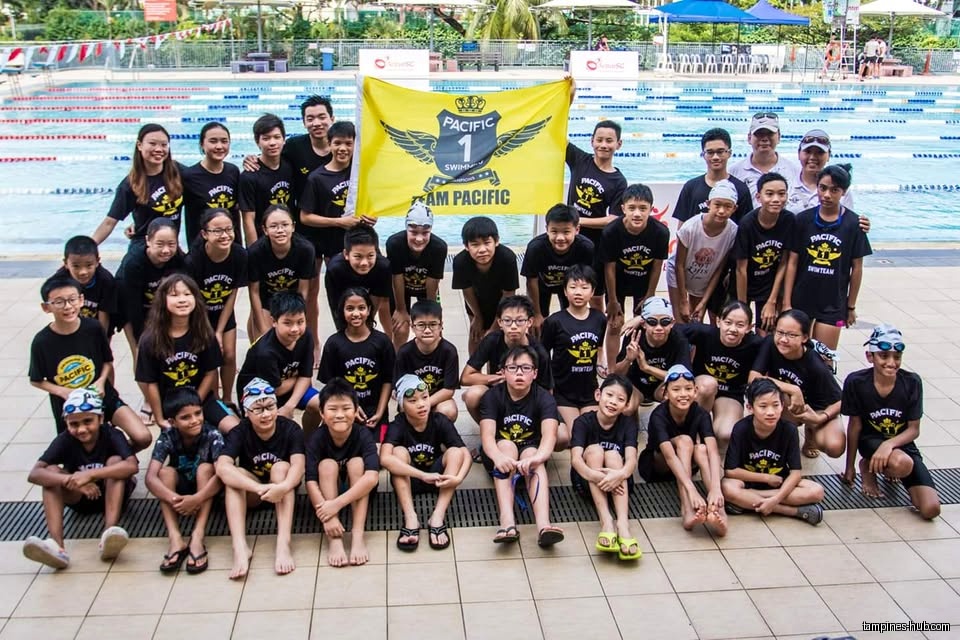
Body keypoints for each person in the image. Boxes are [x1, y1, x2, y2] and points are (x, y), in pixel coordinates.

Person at [30, 275, 151, 451]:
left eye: (72, 299)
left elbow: (107, 362)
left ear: (81, 300)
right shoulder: (42, 341)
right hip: (71, 406)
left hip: (102, 396)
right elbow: (36, 379)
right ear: (46, 307)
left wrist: (101, 382)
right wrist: (63, 392)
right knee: (78, 453)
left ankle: (116, 459)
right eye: (59, 302)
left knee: (143, 437)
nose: (68, 306)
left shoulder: (93, 328)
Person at [22, 388, 137, 569]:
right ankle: (57, 546)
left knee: (115, 462)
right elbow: (35, 474)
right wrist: (73, 482)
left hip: (113, 494)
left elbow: (132, 465)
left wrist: (89, 475)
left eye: (87, 421)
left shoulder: (112, 434)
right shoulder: (65, 439)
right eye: (74, 424)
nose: (81, 429)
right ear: (66, 424)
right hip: (79, 498)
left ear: (100, 418)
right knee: (51, 473)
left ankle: (109, 533)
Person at [841, 325, 940, 519]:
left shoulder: (912, 382)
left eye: (897, 357)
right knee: (902, 463)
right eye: (884, 356)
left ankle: (890, 465)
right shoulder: (856, 381)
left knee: (931, 510)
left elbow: (913, 430)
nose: (891, 363)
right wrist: (850, 466)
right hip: (869, 441)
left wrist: (889, 445)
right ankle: (868, 466)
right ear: (870, 357)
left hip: (900, 444)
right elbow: (854, 426)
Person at [217, 378, 305, 579]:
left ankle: (283, 543)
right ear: (247, 412)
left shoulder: (290, 428)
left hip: (283, 490)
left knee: (282, 467)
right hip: (256, 492)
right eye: (258, 409)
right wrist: (259, 489)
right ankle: (239, 548)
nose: (266, 414)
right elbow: (222, 468)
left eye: (270, 407)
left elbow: (299, 466)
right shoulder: (239, 431)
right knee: (233, 477)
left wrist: (282, 488)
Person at [300, 121, 375, 354]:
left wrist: (371, 218)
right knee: (324, 297)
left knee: (356, 296)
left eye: (348, 143)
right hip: (322, 242)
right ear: (329, 145)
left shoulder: (360, 174)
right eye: (338, 143)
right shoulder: (317, 178)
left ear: (355, 146)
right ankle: (319, 344)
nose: (343, 148)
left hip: (348, 246)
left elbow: (371, 207)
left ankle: (363, 338)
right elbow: (305, 217)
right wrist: (338, 222)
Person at [479, 345, 564, 547]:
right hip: (500, 451)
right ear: (502, 372)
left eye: (526, 368)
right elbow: (488, 436)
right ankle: (507, 522)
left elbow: (550, 435)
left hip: (530, 449)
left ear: (535, 373)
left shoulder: (544, 398)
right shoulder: (492, 396)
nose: (519, 373)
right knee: (507, 447)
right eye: (513, 368)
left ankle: (544, 526)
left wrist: (538, 458)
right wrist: (498, 458)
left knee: (534, 455)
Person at [783, 164, 871, 352]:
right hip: (801, 299)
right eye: (823, 188)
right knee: (795, 354)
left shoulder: (854, 225)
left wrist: (850, 306)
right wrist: (786, 302)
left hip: (833, 303)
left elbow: (857, 268)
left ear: (844, 192)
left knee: (824, 359)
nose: (827, 195)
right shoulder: (803, 220)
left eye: (834, 190)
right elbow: (792, 262)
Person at [135, 274, 238, 433]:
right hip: (171, 406)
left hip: (202, 400)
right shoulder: (149, 339)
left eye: (187, 294)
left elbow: (210, 373)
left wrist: (195, 406)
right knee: (182, 442)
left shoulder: (204, 333)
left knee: (236, 430)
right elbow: (151, 383)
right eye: (174, 295)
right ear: (163, 300)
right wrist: (161, 418)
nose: (182, 299)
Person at [381, 374, 471, 551]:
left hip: (439, 480)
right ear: (402, 405)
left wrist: (458, 478)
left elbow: (465, 453)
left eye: (425, 398)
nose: (421, 404)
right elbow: (384, 458)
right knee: (397, 452)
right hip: (411, 480)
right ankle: (411, 518)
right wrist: (423, 475)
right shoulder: (397, 424)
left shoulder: (439, 420)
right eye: (412, 401)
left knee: (454, 452)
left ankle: (437, 516)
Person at [722, 379, 825, 525]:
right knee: (727, 487)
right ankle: (792, 511)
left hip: (779, 485)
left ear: (783, 406)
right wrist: (766, 478)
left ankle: (745, 502)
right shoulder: (741, 428)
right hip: (749, 483)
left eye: (775, 405)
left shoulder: (789, 429)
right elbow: (730, 472)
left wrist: (776, 498)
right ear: (750, 407)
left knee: (816, 491)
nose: (770, 412)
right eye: (763, 406)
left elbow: (796, 473)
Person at [638, 365, 727, 537]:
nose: (683, 394)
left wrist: (716, 487)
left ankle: (717, 509)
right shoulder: (658, 415)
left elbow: (713, 451)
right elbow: (670, 457)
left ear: (695, 391)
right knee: (685, 441)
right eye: (676, 389)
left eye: (687, 389)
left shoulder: (700, 413)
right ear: (665, 393)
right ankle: (686, 508)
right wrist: (692, 489)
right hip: (658, 466)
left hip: (685, 463)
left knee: (701, 449)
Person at [145, 387, 223, 574]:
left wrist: (197, 498)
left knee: (206, 469)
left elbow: (222, 475)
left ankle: (198, 535)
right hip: (180, 493)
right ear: (172, 422)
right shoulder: (168, 436)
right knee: (165, 473)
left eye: (198, 413)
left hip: (204, 491)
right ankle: (175, 538)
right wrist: (176, 500)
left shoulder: (212, 434)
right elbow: (150, 477)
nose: (195, 420)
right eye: (186, 417)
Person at [304, 378, 379, 567]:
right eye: (332, 409)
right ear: (321, 412)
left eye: (346, 408)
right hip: (330, 490)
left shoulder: (363, 434)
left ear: (356, 411)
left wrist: (335, 505)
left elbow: (372, 477)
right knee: (327, 465)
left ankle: (357, 535)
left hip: (357, 489)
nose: (339, 415)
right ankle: (334, 539)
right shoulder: (317, 438)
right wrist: (327, 517)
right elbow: (310, 482)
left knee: (356, 463)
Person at [750, 309, 844, 459]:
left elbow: (841, 401)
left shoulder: (815, 364)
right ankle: (783, 437)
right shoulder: (770, 344)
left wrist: (821, 418)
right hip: (790, 403)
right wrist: (793, 389)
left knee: (834, 446)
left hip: (816, 409)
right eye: (780, 332)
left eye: (792, 335)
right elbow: (754, 378)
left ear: (805, 337)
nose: (783, 339)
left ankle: (811, 434)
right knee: (774, 395)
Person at [569, 375, 642, 560]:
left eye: (620, 399)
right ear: (598, 395)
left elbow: (632, 459)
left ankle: (623, 525)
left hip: (619, 481)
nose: (613, 402)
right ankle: (606, 521)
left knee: (613, 456)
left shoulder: (628, 424)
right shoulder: (582, 422)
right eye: (609, 395)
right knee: (594, 450)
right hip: (587, 481)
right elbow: (576, 460)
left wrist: (619, 474)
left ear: (626, 405)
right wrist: (596, 476)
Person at [600, 183, 670, 366]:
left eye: (642, 208)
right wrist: (613, 300)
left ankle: (634, 366)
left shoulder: (660, 232)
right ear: (623, 208)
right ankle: (612, 370)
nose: (637, 213)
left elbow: (657, 265)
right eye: (631, 208)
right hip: (619, 282)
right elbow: (609, 268)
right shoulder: (611, 231)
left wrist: (650, 295)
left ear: (651, 209)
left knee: (641, 325)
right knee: (614, 325)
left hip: (644, 283)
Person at [186, 208, 248, 408]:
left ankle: (228, 399)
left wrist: (220, 330)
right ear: (205, 234)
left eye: (229, 229)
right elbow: (194, 300)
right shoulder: (194, 260)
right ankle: (213, 401)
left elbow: (232, 294)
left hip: (223, 313)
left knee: (229, 355)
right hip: (199, 316)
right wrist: (209, 333)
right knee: (210, 358)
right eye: (217, 231)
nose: (224, 235)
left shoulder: (239, 255)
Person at [679, 301, 762, 446]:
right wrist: (641, 319)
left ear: (749, 327)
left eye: (740, 325)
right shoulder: (705, 333)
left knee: (725, 435)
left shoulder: (755, 344)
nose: (732, 329)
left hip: (730, 393)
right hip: (702, 386)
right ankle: (694, 429)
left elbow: (779, 346)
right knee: (708, 385)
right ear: (718, 321)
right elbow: (669, 329)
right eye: (728, 322)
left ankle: (711, 429)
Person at [541, 266, 606, 449]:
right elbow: (543, 355)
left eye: (585, 287)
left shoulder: (599, 318)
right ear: (565, 290)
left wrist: (602, 365)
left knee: (593, 436)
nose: (578, 292)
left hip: (589, 390)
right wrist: (548, 387)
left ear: (593, 291)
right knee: (574, 436)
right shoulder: (554, 321)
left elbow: (599, 347)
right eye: (573, 287)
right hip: (563, 391)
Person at [237, 293, 321, 435]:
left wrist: (289, 406)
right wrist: (299, 377)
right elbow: (276, 389)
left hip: (285, 387)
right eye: (287, 323)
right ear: (274, 321)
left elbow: (306, 376)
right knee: (274, 432)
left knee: (320, 404)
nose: (295, 329)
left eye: (300, 322)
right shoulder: (265, 352)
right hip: (259, 394)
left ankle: (308, 441)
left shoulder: (306, 336)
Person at [460, 295, 553, 425]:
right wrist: (498, 378)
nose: (513, 326)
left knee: (561, 436)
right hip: (498, 392)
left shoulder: (539, 352)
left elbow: (547, 391)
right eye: (508, 320)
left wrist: (517, 380)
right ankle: (490, 432)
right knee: (472, 395)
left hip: (527, 396)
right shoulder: (492, 340)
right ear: (500, 322)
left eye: (520, 321)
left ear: (529, 322)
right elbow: (465, 378)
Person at [318, 287, 395, 442]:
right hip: (345, 411)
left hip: (375, 413)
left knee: (378, 454)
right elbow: (331, 384)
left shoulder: (382, 342)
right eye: (350, 308)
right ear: (342, 311)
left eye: (361, 308)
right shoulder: (334, 344)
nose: (356, 313)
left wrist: (380, 413)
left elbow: (388, 380)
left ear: (369, 310)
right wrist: (351, 407)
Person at [91, 123, 184, 248]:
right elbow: (109, 222)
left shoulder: (177, 171)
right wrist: (88, 248)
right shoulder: (131, 184)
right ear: (139, 145)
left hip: (169, 247)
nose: (159, 149)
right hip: (143, 245)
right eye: (152, 143)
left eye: (164, 145)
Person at [665, 180, 739, 324]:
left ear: (734, 208)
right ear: (708, 204)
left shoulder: (733, 231)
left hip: (705, 275)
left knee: (696, 318)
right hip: (678, 273)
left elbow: (719, 269)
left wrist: (704, 301)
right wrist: (683, 300)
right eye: (717, 205)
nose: (722, 211)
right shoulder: (690, 228)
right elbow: (679, 265)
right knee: (682, 321)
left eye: (727, 206)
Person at [115, 218, 186, 361]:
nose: (166, 250)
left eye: (171, 244)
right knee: (141, 352)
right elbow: (133, 308)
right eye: (159, 244)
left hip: (158, 308)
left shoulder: (178, 257)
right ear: (148, 240)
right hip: (129, 307)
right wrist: (143, 336)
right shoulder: (134, 264)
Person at [733, 172, 794, 335]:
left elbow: (784, 262)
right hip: (742, 282)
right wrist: (742, 307)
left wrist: (772, 301)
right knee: (740, 328)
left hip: (768, 283)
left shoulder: (788, 220)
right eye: (769, 194)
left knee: (765, 331)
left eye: (781, 194)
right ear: (758, 197)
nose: (776, 199)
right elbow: (741, 270)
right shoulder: (747, 224)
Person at [521, 203, 594, 336]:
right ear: (547, 229)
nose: (560, 238)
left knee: (572, 321)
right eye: (554, 231)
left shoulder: (586, 248)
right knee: (537, 326)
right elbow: (531, 281)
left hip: (570, 286)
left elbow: (586, 280)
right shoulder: (535, 248)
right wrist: (536, 314)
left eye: (566, 232)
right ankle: (539, 354)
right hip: (541, 286)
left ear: (577, 230)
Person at [246, 204, 316, 341]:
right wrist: (261, 328)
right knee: (264, 340)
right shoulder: (255, 252)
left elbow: (303, 290)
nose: (280, 230)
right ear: (265, 230)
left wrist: (297, 318)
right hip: (266, 299)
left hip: (291, 299)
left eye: (285, 225)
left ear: (293, 227)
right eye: (273, 226)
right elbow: (254, 292)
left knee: (291, 339)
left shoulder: (305, 250)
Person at [452, 216, 519, 353]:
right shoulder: (460, 261)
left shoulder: (507, 258)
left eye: (487, 243)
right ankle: (473, 371)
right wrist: (477, 317)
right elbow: (467, 290)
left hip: (501, 302)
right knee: (476, 334)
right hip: (475, 301)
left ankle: (494, 372)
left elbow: (509, 294)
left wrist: (495, 326)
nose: (482, 250)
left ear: (496, 241)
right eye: (475, 245)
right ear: (466, 246)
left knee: (496, 340)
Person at [387, 201, 448, 349]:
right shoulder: (394, 244)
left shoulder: (439, 248)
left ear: (431, 230)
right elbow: (397, 277)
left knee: (433, 331)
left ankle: (431, 363)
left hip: (425, 288)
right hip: (401, 288)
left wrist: (430, 314)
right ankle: (398, 361)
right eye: (413, 232)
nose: (419, 239)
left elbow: (432, 283)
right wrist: (401, 310)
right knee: (401, 329)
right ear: (406, 229)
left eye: (425, 233)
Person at [614, 297, 690, 413]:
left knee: (678, 396)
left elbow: (682, 378)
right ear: (644, 324)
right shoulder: (634, 335)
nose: (659, 328)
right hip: (636, 385)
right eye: (652, 322)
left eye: (664, 322)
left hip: (662, 387)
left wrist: (647, 368)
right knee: (626, 408)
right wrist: (627, 360)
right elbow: (616, 375)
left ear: (672, 323)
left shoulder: (679, 339)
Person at [394, 299, 460, 422]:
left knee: (448, 410)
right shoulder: (404, 352)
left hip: (438, 399)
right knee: (407, 409)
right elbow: (397, 388)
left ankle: (438, 437)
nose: (427, 330)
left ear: (441, 326)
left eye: (433, 324)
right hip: (412, 399)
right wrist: (416, 403)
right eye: (421, 325)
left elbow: (449, 390)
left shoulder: (449, 351)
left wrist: (426, 402)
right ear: (412, 327)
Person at [324, 225, 393, 338]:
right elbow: (336, 307)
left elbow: (376, 301)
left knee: (368, 325)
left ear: (376, 252)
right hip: (343, 291)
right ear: (346, 254)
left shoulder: (383, 267)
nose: (364, 263)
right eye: (358, 256)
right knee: (345, 332)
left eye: (370, 256)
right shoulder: (335, 269)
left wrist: (366, 323)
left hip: (373, 288)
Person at [674, 128, 753, 225]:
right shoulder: (690, 187)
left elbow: (746, 228)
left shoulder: (741, 189)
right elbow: (682, 229)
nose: (715, 157)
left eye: (720, 152)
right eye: (710, 152)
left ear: (729, 153)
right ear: (703, 155)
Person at [181, 122, 241, 246]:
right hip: (201, 250)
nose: (219, 146)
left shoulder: (233, 171)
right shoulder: (189, 176)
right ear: (202, 144)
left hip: (232, 247)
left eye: (224, 141)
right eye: (213, 141)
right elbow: (172, 208)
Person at [239, 113, 293, 245]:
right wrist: (253, 252)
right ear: (257, 142)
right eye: (266, 138)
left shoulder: (290, 166)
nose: (272, 143)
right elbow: (248, 219)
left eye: (277, 137)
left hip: (288, 239)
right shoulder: (249, 176)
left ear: (284, 140)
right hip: (263, 242)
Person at [729, 113, 799, 207]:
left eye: (770, 134)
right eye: (759, 134)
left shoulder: (794, 171)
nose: (765, 139)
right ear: (749, 138)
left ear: (779, 137)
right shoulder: (734, 172)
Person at [54, 235, 117, 336]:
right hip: (71, 324)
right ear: (66, 263)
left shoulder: (106, 280)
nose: (83, 272)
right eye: (76, 266)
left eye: (89, 265)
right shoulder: (61, 280)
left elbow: (104, 314)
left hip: (98, 324)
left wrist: (101, 341)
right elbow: (59, 310)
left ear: (97, 262)